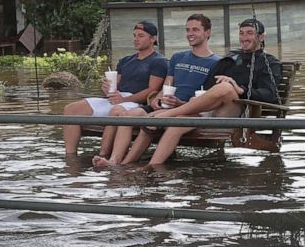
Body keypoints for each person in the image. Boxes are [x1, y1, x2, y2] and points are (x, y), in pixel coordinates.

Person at [99, 17, 281, 168]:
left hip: (235, 110)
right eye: (241, 33)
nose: (244, 37)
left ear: (261, 37)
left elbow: (270, 94)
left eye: (250, 33)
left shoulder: (268, 62)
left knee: (225, 87)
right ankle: (134, 166)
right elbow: (207, 88)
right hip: (206, 108)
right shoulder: (230, 59)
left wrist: (238, 88)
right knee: (174, 123)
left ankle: (168, 115)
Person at [93, 13, 219, 167]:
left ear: (207, 33)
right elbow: (167, 86)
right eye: (187, 30)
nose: (190, 34)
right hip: (165, 106)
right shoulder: (178, 58)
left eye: (195, 30)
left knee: (150, 123)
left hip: (189, 110)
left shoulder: (216, 63)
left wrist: (180, 103)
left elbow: (207, 99)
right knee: (128, 116)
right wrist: (156, 99)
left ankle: (124, 165)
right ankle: (114, 161)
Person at [62, 21, 167, 156]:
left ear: (153, 39)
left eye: (141, 36)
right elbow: (115, 84)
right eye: (134, 35)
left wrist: (124, 99)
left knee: (115, 110)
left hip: (135, 103)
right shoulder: (125, 60)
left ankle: (103, 155)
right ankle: (70, 157)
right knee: (71, 109)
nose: (136, 39)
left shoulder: (159, 61)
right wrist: (107, 88)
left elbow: (152, 90)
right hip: (117, 99)